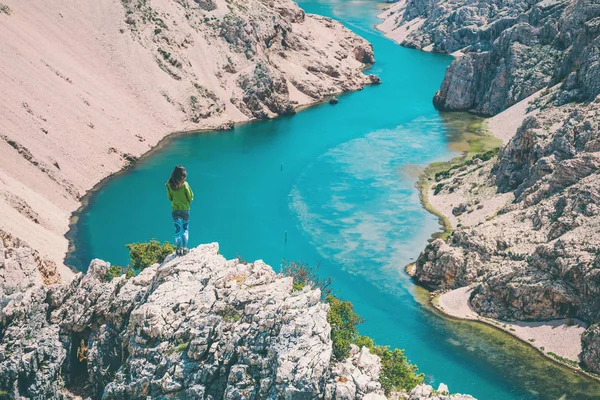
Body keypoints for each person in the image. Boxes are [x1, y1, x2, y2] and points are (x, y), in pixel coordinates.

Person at [166, 165, 194, 255]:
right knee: (185, 229)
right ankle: (185, 248)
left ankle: (178, 249)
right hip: (185, 210)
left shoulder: (169, 185)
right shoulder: (185, 185)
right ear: (182, 176)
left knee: (177, 229)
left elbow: (169, 197)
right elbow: (191, 197)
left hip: (175, 210)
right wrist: (186, 201)